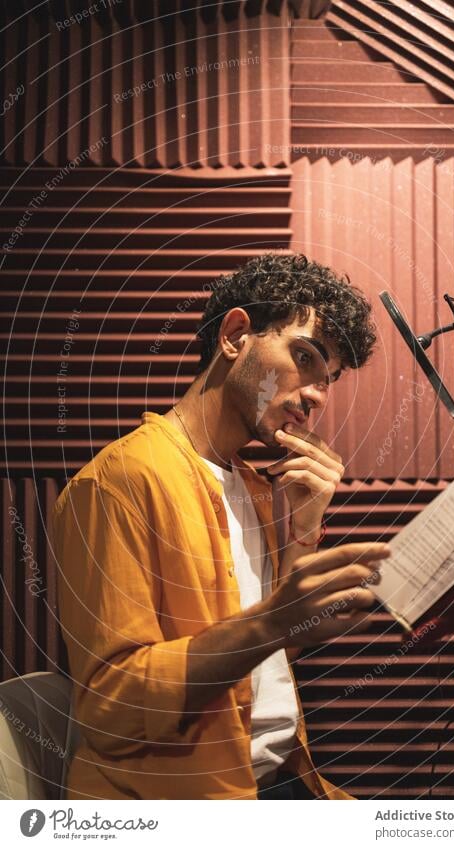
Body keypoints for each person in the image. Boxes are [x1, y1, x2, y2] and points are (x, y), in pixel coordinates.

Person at [52, 252, 390, 800]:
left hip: (285, 779)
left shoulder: (255, 488)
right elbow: (111, 710)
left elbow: (270, 659)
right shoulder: (119, 481)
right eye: (303, 357)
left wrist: (304, 526)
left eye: (328, 379)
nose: (317, 395)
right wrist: (271, 624)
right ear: (236, 335)